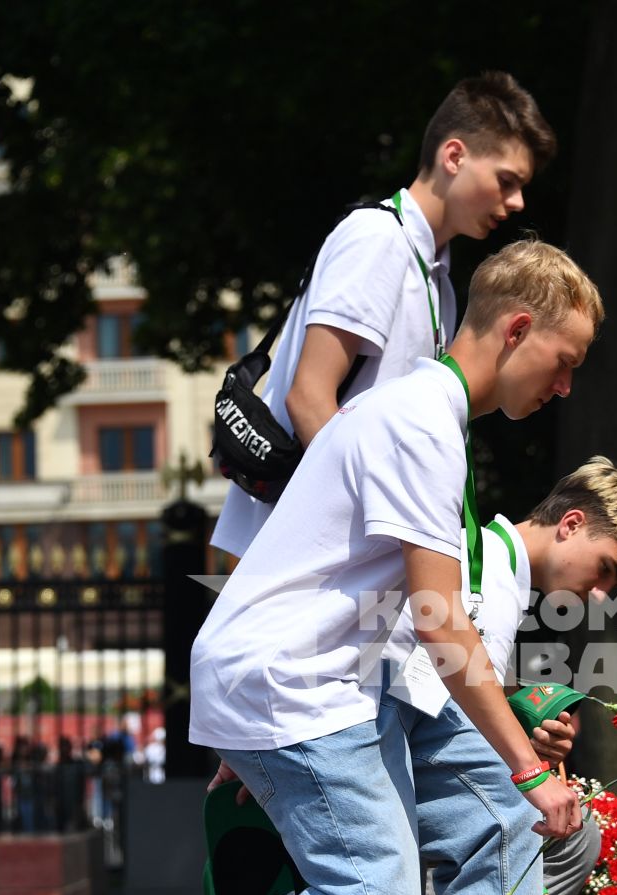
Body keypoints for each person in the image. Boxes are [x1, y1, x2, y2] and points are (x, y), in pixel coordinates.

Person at [60, 239, 604, 895]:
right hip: (296, 682)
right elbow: (439, 618)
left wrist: (513, 774)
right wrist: (532, 763)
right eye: (564, 361)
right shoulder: (422, 422)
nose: (566, 384)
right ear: (515, 330)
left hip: (353, 672)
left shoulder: (424, 413)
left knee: (497, 814)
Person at [217, 458, 617, 895]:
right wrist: (522, 888)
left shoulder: (493, 570)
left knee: (563, 826)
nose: (600, 594)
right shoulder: (477, 568)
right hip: (355, 785)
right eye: (606, 570)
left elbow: (433, 718)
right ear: (570, 524)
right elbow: (408, 700)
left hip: (364, 773)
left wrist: (521, 735)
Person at [208, 70, 554, 563]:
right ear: (453, 156)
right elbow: (309, 398)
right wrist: (392, 521)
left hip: (340, 551)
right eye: (506, 181)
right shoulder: (378, 240)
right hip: (303, 555)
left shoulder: (435, 272)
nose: (517, 202)